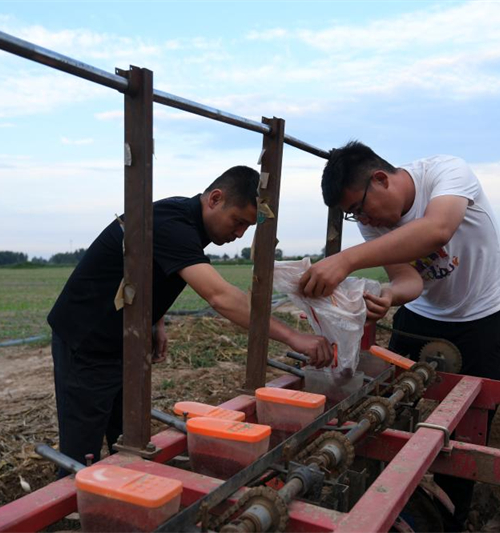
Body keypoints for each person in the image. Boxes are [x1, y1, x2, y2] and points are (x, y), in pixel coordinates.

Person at [48, 165, 333, 476]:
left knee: (125, 434)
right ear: (214, 198)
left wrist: (156, 319)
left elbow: (143, 270)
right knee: (81, 451)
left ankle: (121, 489)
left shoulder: (183, 223)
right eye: (237, 222)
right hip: (87, 340)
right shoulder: (174, 224)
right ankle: (72, 507)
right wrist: (294, 336)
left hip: (124, 339)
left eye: (246, 228)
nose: (238, 234)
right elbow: (221, 297)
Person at [300, 141, 500, 531]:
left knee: (468, 429)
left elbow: (437, 230)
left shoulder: (446, 173)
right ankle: (386, 507)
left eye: (360, 209)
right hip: (421, 315)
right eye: (353, 215)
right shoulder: (373, 222)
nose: (363, 219)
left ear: (380, 179)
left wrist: (345, 259)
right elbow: (408, 279)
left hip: (480, 316)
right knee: (381, 411)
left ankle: (453, 519)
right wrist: (389, 296)